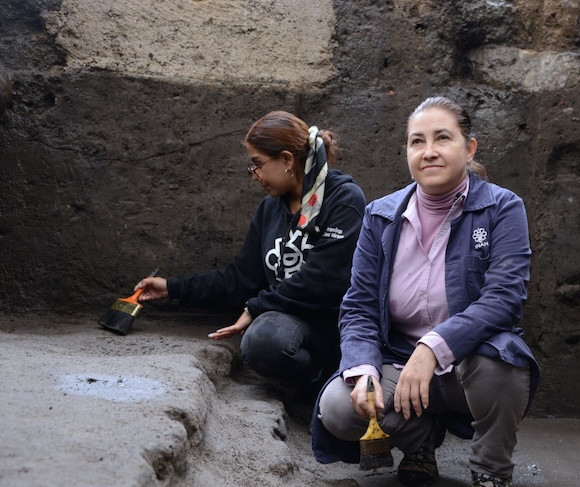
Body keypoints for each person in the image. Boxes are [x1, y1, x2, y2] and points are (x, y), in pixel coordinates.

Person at [312, 96, 540, 487]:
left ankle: (490, 470)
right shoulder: (381, 216)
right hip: (399, 364)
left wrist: (433, 347)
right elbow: (359, 307)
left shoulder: (502, 208)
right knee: (338, 406)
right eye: (417, 141)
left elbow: (504, 298)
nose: (429, 152)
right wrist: (364, 367)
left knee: (504, 366)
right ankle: (420, 442)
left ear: (469, 149)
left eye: (442, 139)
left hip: (470, 364)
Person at [134, 110, 366, 415]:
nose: (254, 174)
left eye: (257, 164)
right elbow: (241, 277)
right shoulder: (270, 209)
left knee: (264, 337)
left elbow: (325, 278)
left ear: (286, 160)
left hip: (334, 324)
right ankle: (312, 382)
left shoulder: (344, 199)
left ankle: (331, 377)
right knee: (261, 344)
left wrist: (257, 307)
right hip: (291, 321)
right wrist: (173, 288)